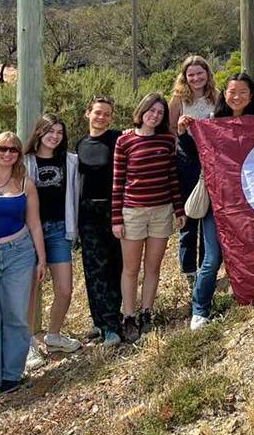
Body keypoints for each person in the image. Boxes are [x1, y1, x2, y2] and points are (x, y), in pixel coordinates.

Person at [183, 73, 254, 330]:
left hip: (251, 198)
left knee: (252, 249)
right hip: (219, 200)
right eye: (232, 92)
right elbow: (192, 152)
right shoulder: (211, 123)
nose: (237, 96)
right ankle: (199, 310)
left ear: (251, 96)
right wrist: (186, 132)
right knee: (213, 257)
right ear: (223, 95)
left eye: (242, 92)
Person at [0, 132, 46, 393]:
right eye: (2, 149)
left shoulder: (26, 183)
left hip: (20, 253)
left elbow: (34, 223)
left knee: (16, 316)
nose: (7, 154)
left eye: (13, 150)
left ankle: (12, 375)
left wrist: (42, 259)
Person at [112, 93, 184, 343]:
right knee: (131, 269)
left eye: (160, 113)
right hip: (132, 212)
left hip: (162, 211)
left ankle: (146, 313)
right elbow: (118, 181)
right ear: (141, 111)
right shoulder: (125, 141)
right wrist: (116, 219)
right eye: (151, 111)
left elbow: (172, 178)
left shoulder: (166, 140)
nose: (155, 116)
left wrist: (179, 210)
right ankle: (129, 316)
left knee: (153, 267)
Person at [22, 114, 83, 369]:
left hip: (59, 230)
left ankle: (54, 335)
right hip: (28, 233)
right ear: (39, 132)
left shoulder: (70, 161)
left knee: (65, 290)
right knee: (30, 292)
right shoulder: (23, 162)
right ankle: (26, 346)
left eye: (59, 132)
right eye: (50, 131)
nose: (54, 136)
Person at [75, 97, 123, 347]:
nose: (101, 117)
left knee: (115, 266)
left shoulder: (117, 139)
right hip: (88, 213)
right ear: (88, 114)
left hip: (114, 210)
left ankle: (114, 323)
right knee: (93, 270)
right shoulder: (80, 144)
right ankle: (99, 322)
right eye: (97, 113)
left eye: (107, 114)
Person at [169, 57, 218, 285]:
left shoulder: (216, 97)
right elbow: (170, 131)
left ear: (207, 74)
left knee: (208, 214)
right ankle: (188, 270)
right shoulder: (179, 100)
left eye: (200, 73)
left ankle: (205, 266)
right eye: (191, 75)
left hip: (211, 161)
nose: (196, 78)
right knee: (189, 217)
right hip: (186, 163)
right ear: (184, 77)